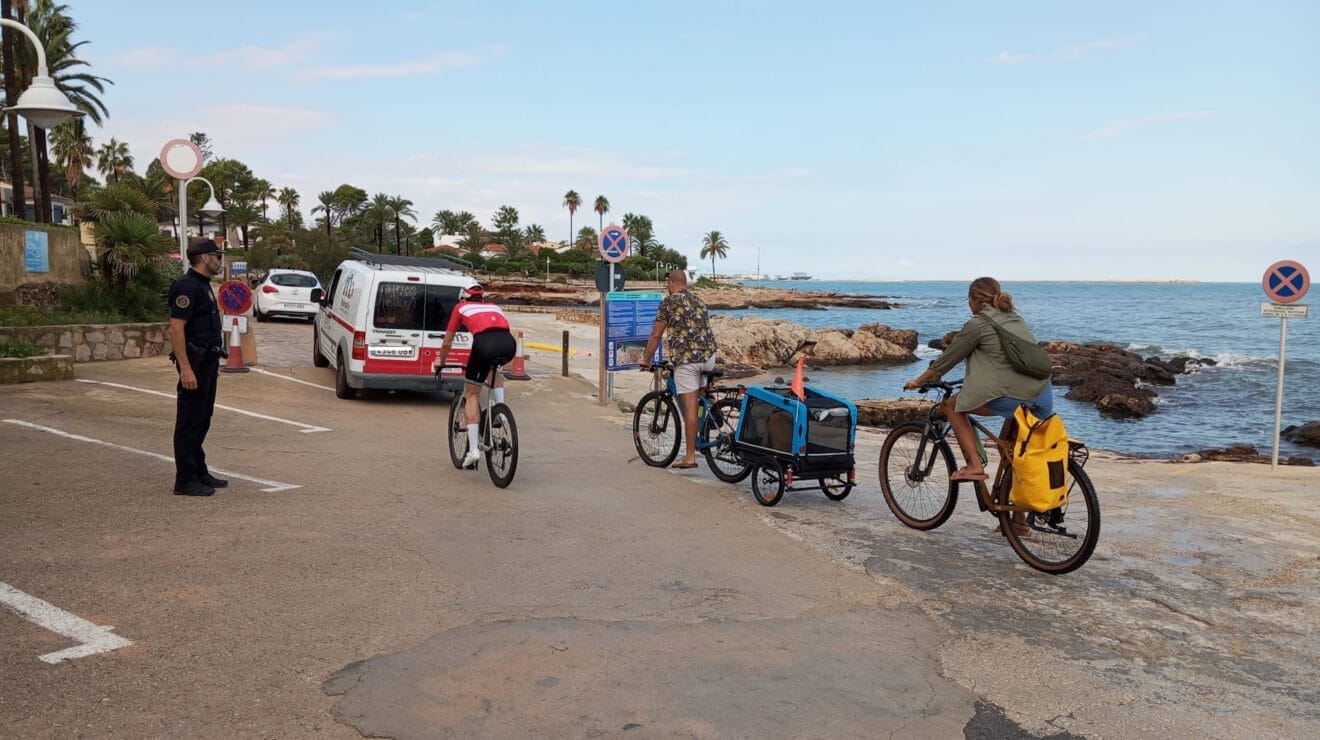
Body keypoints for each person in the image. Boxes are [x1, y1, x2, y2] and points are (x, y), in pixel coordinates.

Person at [905, 276, 1053, 482]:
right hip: (1043, 394)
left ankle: (974, 465)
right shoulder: (1015, 319)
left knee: (953, 405)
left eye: (968, 299)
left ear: (975, 300)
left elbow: (947, 360)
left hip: (1015, 397)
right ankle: (1013, 501)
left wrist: (917, 381)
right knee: (1008, 448)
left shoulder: (978, 324)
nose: (968, 304)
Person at [641, 270, 718, 469]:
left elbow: (656, 335)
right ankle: (703, 430)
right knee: (699, 399)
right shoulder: (699, 301)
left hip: (687, 359)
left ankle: (690, 457)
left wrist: (646, 360)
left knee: (689, 408)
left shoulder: (668, 303)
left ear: (671, 282)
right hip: (709, 357)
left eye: (667, 283)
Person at [168, 238, 226, 496]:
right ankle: (185, 479)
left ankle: (199, 470)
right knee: (189, 421)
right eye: (217, 256)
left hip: (208, 362)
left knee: (203, 418)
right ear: (205, 258)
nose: (220, 261)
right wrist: (185, 368)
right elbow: (176, 328)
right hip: (195, 363)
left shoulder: (203, 285)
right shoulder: (187, 287)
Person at [436, 284, 516, 469]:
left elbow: (447, 342)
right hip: (508, 344)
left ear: (463, 297)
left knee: (472, 394)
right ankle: (501, 410)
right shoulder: (493, 306)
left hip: (485, 344)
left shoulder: (461, 307)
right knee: (493, 369)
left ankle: (473, 450)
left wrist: (441, 361)